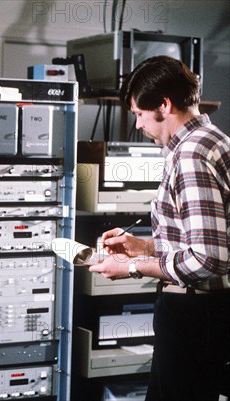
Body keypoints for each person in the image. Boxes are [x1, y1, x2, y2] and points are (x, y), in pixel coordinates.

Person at [88, 55, 230, 401]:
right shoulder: (211, 140)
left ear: (164, 105)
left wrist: (131, 268)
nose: (137, 125)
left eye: (138, 114)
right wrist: (145, 247)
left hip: (194, 314)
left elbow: (208, 259)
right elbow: (203, 237)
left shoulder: (191, 156)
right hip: (208, 313)